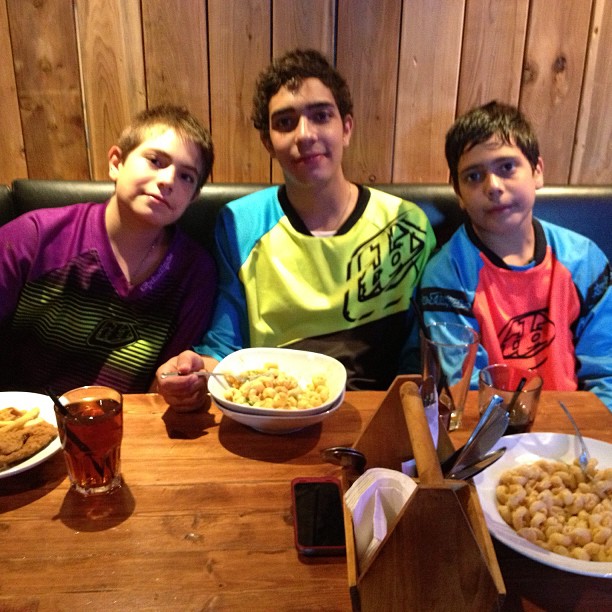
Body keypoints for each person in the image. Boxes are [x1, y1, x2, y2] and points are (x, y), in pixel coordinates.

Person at [156, 48, 435, 410]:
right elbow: (225, 345)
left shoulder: (406, 224)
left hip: (380, 411)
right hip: (273, 413)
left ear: (346, 128)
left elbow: (419, 355)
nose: (305, 135)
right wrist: (196, 371)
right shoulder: (240, 223)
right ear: (268, 142)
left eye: (321, 116)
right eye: (285, 122)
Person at [0, 104, 218, 395]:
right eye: (155, 160)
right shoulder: (35, 238)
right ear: (117, 163)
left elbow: (161, 386)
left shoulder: (194, 273)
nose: (168, 181)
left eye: (186, 177)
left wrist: (179, 384)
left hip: (125, 428)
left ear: (193, 197)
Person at [419, 101, 612, 409]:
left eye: (507, 167)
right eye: (473, 176)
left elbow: (607, 373)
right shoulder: (447, 274)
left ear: (537, 171)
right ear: (458, 194)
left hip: (577, 429)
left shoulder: (584, 260)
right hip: (490, 435)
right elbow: (465, 389)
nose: (493, 186)